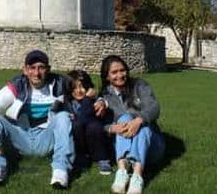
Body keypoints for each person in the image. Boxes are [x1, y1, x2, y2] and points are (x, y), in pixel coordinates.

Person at [0, 49, 74, 189]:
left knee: (63, 117)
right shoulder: (17, 86)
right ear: (25, 70)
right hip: (20, 137)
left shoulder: (60, 82)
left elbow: (82, 89)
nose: (36, 73)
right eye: (32, 68)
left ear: (48, 69)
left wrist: (99, 99)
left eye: (41, 67)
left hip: (45, 137)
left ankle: (60, 171)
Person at [95, 55, 166, 194]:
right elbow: (97, 126)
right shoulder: (104, 97)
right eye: (114, 72)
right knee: (124, 118)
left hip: (152, 147)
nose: (120, 75)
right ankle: (122, 172)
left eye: (122, 70)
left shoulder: (139, 85)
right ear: (107, 76)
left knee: (142, 124)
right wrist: (110, 128)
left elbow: (154, 107)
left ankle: (137, 176)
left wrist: (139, 120)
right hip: (124, 148)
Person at [61, 69, 113, 174]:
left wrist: (88, 99)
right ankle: (82, 156)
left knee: (94, 125)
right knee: (76, 125)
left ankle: (102, 159)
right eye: (74, 87)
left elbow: (85, 116)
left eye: (82, 86)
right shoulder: (67, 102)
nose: (79, 91)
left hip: (97, 139)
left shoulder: (95, 101)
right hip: (79, 140)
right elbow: (78, 120)